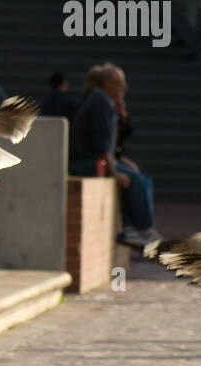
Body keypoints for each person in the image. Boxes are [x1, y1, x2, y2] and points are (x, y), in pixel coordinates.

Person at [68, 63, 159, 247]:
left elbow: (115, 142)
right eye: (119, 83)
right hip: (87, 162)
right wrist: (115, 172)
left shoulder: (107, 103)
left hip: (99, 159)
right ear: (107, 84)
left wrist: (122, 116)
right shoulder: (100, 102)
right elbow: (101, 142)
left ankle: (132, 228)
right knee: (134, 180)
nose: (123, 88)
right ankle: (143, 229)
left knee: (139, 178)